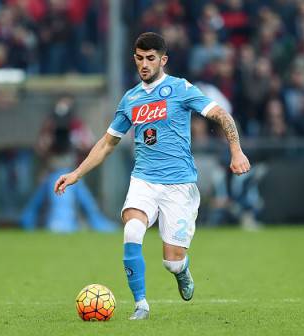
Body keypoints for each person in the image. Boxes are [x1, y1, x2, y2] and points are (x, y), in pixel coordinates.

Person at [54, 32, 250, 320]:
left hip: (179, 185)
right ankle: (141, 305)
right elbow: (108, 142)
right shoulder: (130, 99)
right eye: (139, 58)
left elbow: (221, 115)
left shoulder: (180, 88)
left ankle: (182, 270)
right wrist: (76, 173)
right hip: (143, 180)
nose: (144, 64)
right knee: (132, 229)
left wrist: (236, 151)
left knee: (171, 262)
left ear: (163, 60)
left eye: (150, 58)